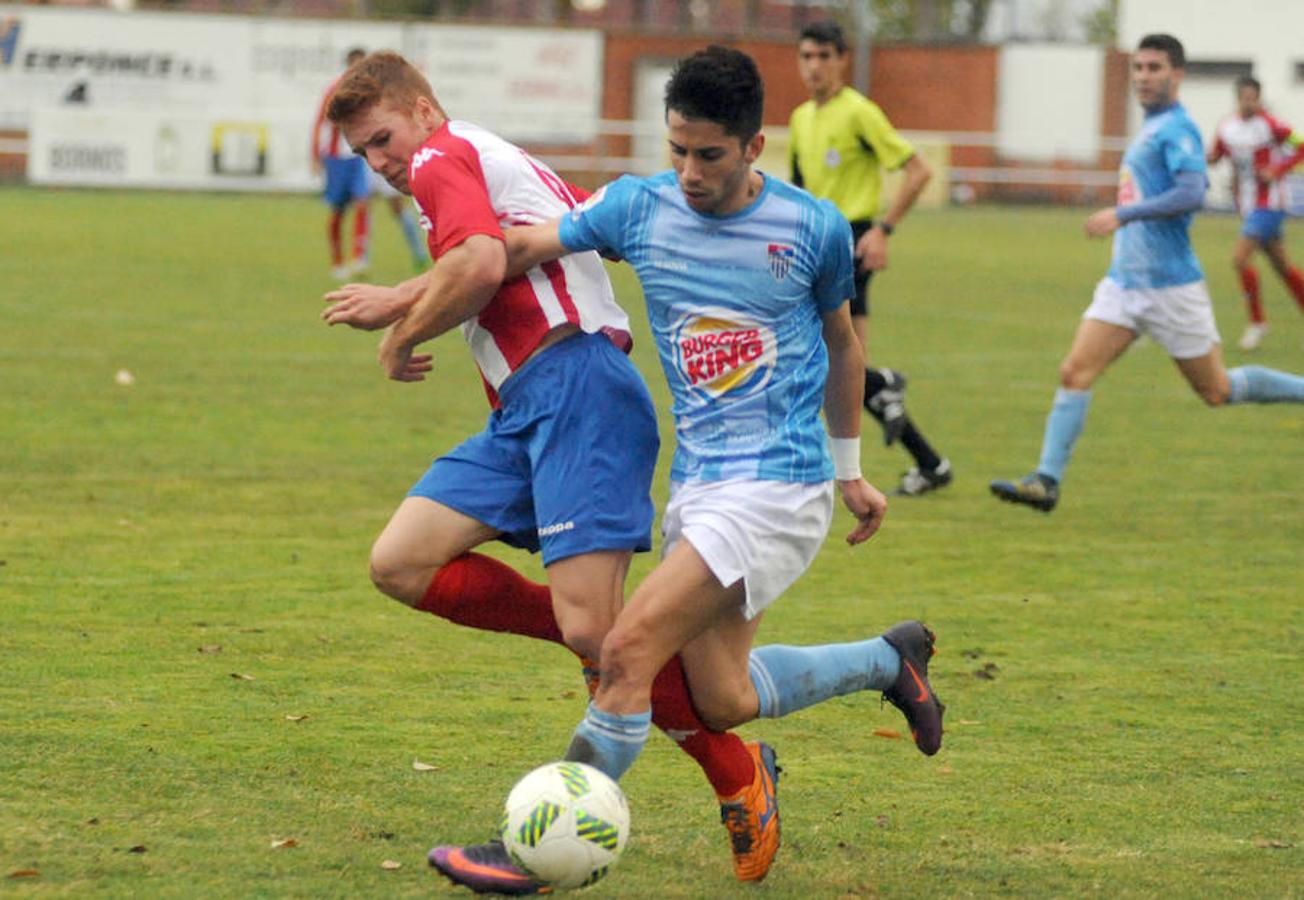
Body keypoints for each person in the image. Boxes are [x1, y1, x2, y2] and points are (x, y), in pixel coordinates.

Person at [320, 50, 843, 891]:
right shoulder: (468, 159)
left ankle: (732, 771)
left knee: (606, 641)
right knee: (403, 562)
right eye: (362, 152)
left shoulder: (439, 155)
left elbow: (484, 264)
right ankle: (653, 685)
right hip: (524, 407)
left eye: (381, 137)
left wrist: (402, 328)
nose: (380, 161)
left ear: (421, 111)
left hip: (578, 395)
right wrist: (406, 294)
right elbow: (491, 252)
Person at [431, 46, 945, 893]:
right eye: (677, 150)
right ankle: (890, 662)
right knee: (722, 699)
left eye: (709, 154)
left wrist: (850, 469)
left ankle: (535, 851)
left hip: (779, 484)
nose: (690, 172)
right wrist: (414, 297)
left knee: (628, 649)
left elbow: (843, 344)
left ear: (752, 146)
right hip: (700, 484)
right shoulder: (638, 207)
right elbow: (525, 245)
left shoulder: (810, 228)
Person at [990, 34, 1304, 514]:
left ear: (1176, 73)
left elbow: (1192, 192)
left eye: (1154, 67)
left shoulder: (1176, 129)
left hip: (1170, 288)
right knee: (1075, 372)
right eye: (1138, 68)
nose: (1143, 76)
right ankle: (1045, 481)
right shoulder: (1152, 126)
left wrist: (1124, 214)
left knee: (1217, 391)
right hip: (1124, 283)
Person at [788, 20, 952, 497]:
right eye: (807, 56)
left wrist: (883, 230)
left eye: (824, 56)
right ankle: (929, 460)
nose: (814, 66)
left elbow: (918, 171)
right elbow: (800, 191)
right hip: (816, 244)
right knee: (847, 366)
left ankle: (882, 388)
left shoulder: (859, 112)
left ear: (841, 60)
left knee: (835, 361)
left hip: (852, 239)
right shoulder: (800, 119)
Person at [1207, 75, 1304, 350]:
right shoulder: (1227, 127)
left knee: (1239, 259)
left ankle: (1258, 322)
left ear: (1259, 98)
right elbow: (1216, 154)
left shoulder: (1273, 125)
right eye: (1244, 98)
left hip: (1270, 203)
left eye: (1254, 98)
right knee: (1282, 266)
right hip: (1247, 204)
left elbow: (1301, 146)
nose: (1249, 103)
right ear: (1237, 98)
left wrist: (1277, 169)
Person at [312, 47, 372, 280]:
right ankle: (337, 262)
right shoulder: (334, 89)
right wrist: (315, 157)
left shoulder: (370, 91)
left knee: (363, 201)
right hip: (336, 159)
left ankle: (359, 256)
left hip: (358, 158)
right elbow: (319, 122)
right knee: (338, 211)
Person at [370, 166, 430, 272]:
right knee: (362, 208)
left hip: (382, 165)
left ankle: (419, 253)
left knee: (398, 209)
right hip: (363, 165)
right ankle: (360, 261)